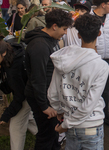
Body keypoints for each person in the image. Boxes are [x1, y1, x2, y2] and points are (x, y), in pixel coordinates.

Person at [48, 14, 109, 150]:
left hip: (71, 125)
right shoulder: (101, 66)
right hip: (91, 125)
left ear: (79, 35)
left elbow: (52, 93)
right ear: (99, 33)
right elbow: (89, 104)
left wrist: (59, 112)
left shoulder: (63, 58)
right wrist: (65, 125)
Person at [24, 9, 73, 150]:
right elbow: (37, 78)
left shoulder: (49, 41)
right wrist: (44, 106)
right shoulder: (39, 45)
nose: (65, 33)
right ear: (54, 26)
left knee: (53, 134)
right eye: (64, 29)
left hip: (47, 95)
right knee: (46, 135)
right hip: (42, 97)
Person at [0, 39, 38, 150]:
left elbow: (19, 95)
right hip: (28, 93)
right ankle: (51, 135)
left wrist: (7, 114)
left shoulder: (14, 68)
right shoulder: (12, 54)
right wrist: (0, 71)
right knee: (28, 118)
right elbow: (11, 89)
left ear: (3, 53)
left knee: (15, 127)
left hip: (28, 94)